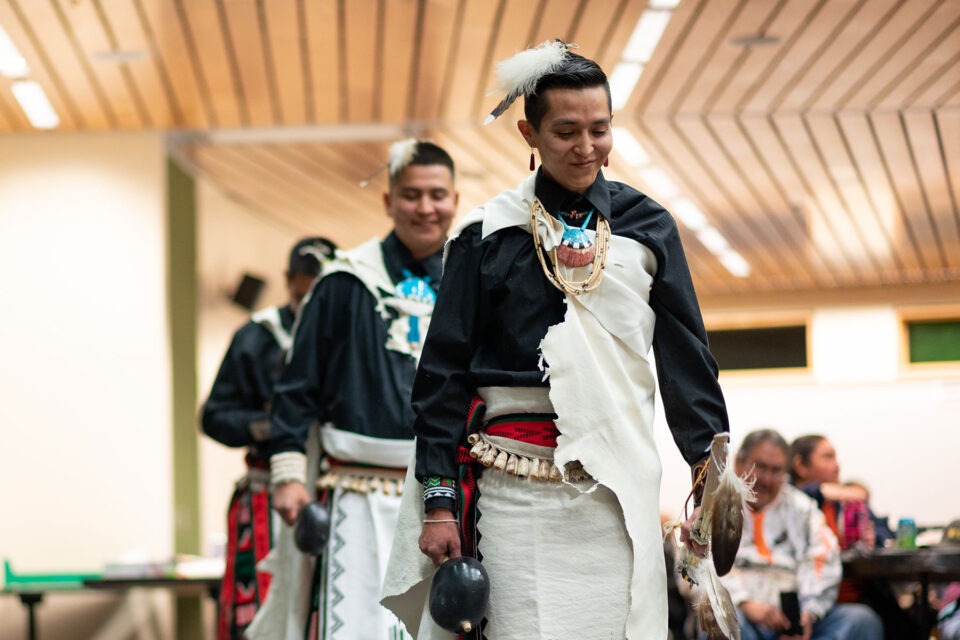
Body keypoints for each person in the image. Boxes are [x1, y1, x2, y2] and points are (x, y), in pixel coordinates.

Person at [381, 41, 728, 639]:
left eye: (600, 128)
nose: (586, 146)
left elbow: (686, 363)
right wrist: (439, 501)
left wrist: (710, 476)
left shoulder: (648, 228)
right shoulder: (485, 234)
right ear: (529, 133)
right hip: (516, 492)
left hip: (618, 491)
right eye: (566, 130)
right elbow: (441, 379)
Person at [256, 140, 458, 640]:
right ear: (389, 201)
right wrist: (287, 475)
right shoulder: (343, 281)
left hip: (448, 499)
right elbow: (295, 386)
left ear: (455, 198)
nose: (426, 207)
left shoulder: (471, 278)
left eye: (437, 194)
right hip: (355, 494)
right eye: (411, 195)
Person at [201, 236, 335, 640]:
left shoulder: (345, 337)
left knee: (327, 604)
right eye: (304, 283)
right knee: (257, 607)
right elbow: (213, 417)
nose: (311, 292)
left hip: (330, 489)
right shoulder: (258, 336)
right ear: (288, 280)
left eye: (322, 284)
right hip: (267, 495)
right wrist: (270, 426)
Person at [722, 429, 883, 640]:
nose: (767, 480)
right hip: (742, 615)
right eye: (760, 467)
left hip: (796, 616)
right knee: (721, 620)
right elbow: (698, 568)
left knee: (862, 621)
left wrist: (809, 613)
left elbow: (823, 556)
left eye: (776, 471)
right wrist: (745, 603)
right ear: (738, 463)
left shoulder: (801, 508)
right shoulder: (717, 505)